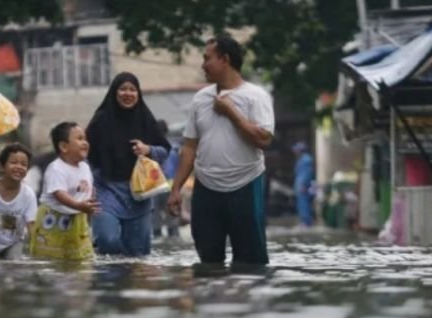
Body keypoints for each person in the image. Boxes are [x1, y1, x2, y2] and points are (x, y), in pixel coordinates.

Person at [167, 34, 275, 266]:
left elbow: (264, 140)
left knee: (250, 262)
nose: (203, 64)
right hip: (206, 187)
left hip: (246, 183)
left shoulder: (256, 97)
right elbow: (189, 147)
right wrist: (176, 188)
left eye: (207, 58)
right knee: (208, 259)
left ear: (225, 59)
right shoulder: (200, 99)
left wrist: (231, 112)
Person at [86, 72, 171, 256]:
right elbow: (86, 154)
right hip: (106, 189)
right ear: (114, 93)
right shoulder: (100, 120)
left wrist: (148, 149)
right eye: (123, 89)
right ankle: (109, 282)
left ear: (138, 94)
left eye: (132, 89)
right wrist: (87, 184)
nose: (128, 93)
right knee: (107, 241)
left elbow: (165, 150)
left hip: (139, 194)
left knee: (138, 254)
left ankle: (129, 284)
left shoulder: (146, 120)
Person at [30, 122, 100, 261]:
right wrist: (79, 205)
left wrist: (91, 202)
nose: (85, 142)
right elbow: (59, 194)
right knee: (51, 259)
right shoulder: (56, 168)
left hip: (77, 218)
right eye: (79, 139)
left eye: (85, 139)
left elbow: (88, 190)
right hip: (53, 220)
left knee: (81, 257)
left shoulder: (85, 167)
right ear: (64, 146)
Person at [292, 141, 315, 227]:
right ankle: (304, 221)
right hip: (300, 186)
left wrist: (304, 184)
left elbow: (307, 173)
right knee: (301, 204)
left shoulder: (306, 160)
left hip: (303, 186)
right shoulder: (301, 159)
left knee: (304, 204)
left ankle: (307, 222)